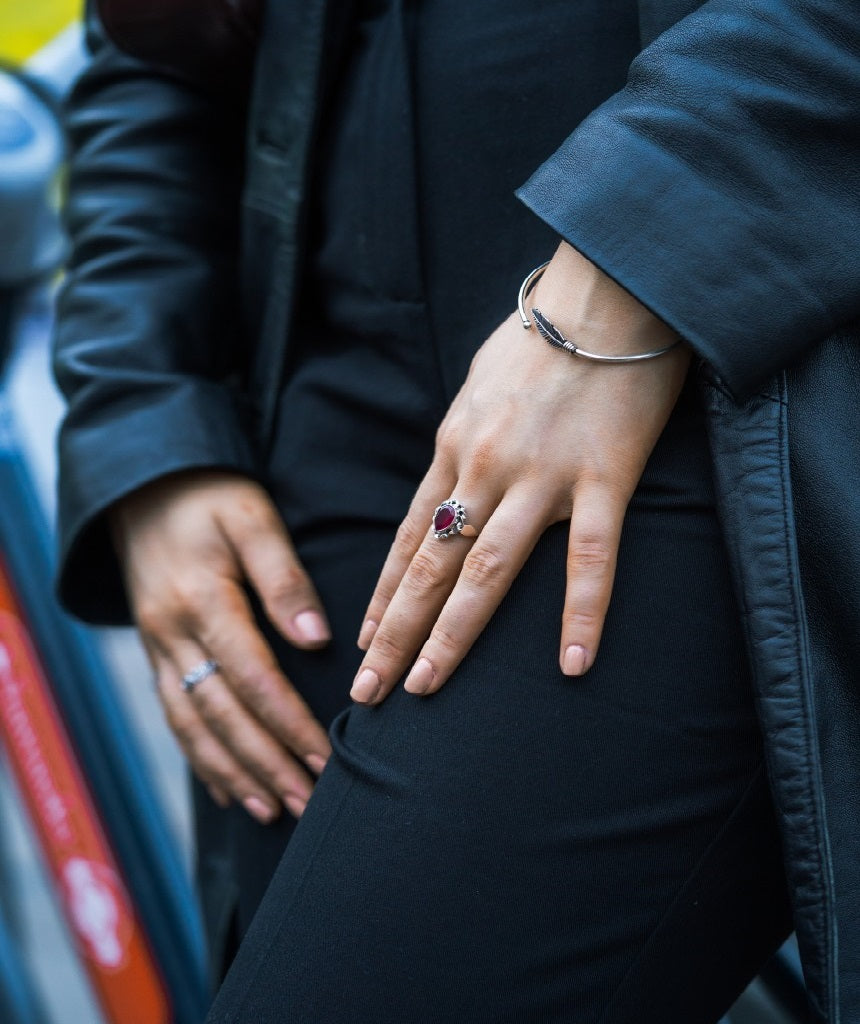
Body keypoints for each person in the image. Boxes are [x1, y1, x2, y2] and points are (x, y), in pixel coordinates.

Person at [53, 0, 860, 1021]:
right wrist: (146, 418)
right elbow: (139, 66)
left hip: (705, 343)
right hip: (322, 374)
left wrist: (633, 258)